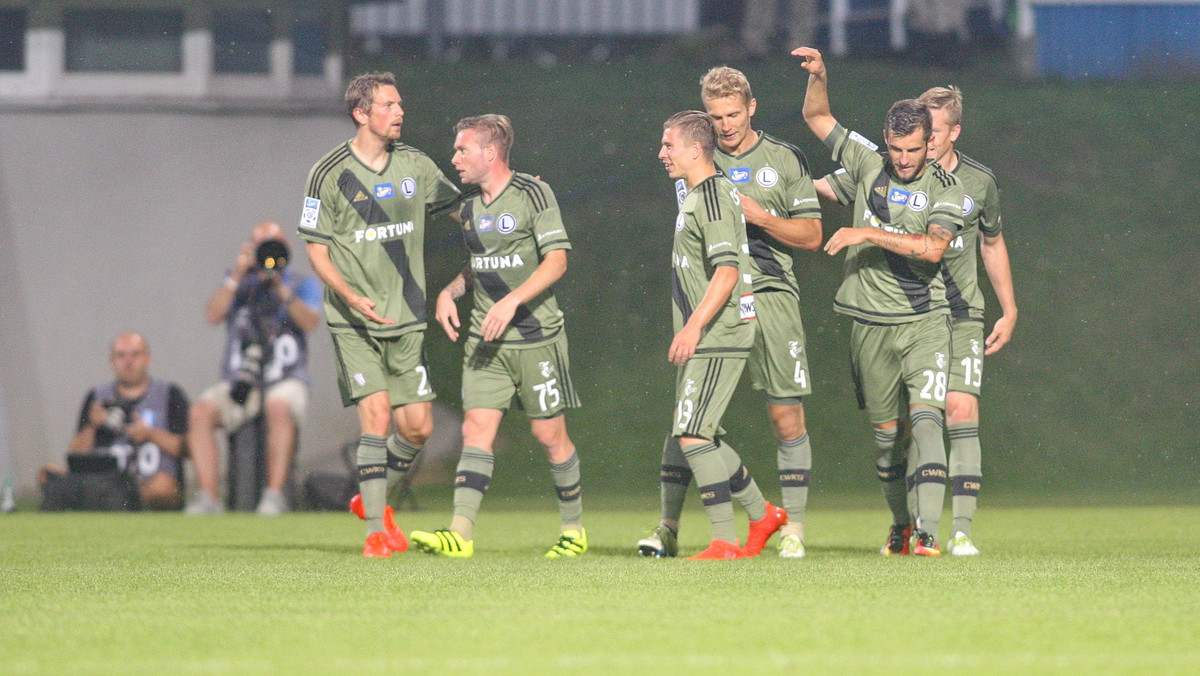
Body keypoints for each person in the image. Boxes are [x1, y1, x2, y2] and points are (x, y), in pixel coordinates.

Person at [638, 67, 821, 559]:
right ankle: (669, 528)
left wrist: (758, 215)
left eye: (733, 114)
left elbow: (812, 236)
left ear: (752, 107)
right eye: (715, 116)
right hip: (717, 300)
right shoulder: (696, 169)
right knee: (690, 419)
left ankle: (792, 528)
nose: (725, 124)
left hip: (770, 292)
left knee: (784, 415)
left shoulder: (783, 159)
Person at [794, 47, 965, 556]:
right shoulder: (869, 163)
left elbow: (933, 249)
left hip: (925, 323)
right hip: (869, 325)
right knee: (888, 440)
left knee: (930, 419)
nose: (905, 159)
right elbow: (816, 116)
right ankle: (901, 523)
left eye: (913, 149)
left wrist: (865, 233)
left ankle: (929, 530)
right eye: (896, 149)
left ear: (930, 141)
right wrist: (821, 76)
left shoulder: (948, 189)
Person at [299, 72, 461, 558]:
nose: (399, 112)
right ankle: (375, 533)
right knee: (376, 420)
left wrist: (509, 199)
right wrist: (349, 296)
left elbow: (463, 210)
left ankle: (369, 498)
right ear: (361, 113)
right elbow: (317, 251)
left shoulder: (415, 165)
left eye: (399, 104)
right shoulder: (327, 172)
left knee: (417, 428)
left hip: (406, 316)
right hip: (353, 320)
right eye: (389, 105)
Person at [412, 114, 585, 559]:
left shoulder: (532, 193)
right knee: (476, 430)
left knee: (549, 435)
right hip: (486, 341)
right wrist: (451, 290)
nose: (454, 159)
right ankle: (460, 533)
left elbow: (557, 261)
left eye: (462, 150)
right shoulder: (470, 209)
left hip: (537, 337)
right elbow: (484, 265)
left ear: (490, 153)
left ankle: (574, 531)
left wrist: (511, 303)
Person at [646, 110, 786, 560]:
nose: (662, 153)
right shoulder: (704, 192)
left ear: (694, 149)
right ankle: (762, 514)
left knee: (692, 435)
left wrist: (693, 327)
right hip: (714, 330)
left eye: (668, 145)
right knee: (698, 431)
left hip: (719, 332)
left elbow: (726, 272)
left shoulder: (709, 197)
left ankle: (724, 540)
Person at [184, 221, 321, 516]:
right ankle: (209, 497)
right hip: (241, 380)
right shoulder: (238, 284)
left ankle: (274, 497)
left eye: (272, 244)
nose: (267, 252)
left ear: (285, 246)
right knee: (200, 412)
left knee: (279, 406)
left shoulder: (300, 284)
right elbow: (212, 314)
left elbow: (310, 322)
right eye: (260, 245)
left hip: (284, 378)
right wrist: (237, 274)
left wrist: (279, 286)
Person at [40, 333, 188, 510]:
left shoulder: (169, 395)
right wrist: (93, 426)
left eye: (135, 355)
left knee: (163, 487)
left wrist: (150, 434)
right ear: (112, 360)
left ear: (148, 359)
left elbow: (186, 447)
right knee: (46, 472)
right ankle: (107, 500)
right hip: (102, 481)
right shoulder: (97, 397)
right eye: (121, 356)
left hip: (146, 482)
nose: (128, 362)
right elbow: (75, 453)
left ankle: (121, 501)